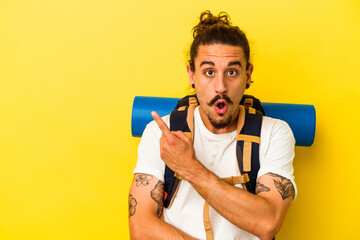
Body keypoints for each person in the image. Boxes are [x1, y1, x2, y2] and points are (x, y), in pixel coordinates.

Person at [129, 10, 296, 240]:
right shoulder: (161, 134)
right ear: (192, 75)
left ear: (247, 75)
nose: (220, 86)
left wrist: (189, 167)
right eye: (209, 72)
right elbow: (141, 229)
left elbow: (267, 223)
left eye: (232, 72)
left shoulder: (275, 133)